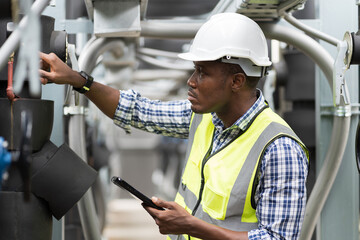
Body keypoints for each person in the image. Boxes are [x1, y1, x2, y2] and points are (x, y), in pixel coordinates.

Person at [39, 13, 309, 240]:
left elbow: (278, 238)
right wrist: (78, 80)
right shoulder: (203, 118)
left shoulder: (279, 148)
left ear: (237, 81)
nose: (191, 81)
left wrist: (192, 226)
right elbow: (137, 111)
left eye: (202, 72)